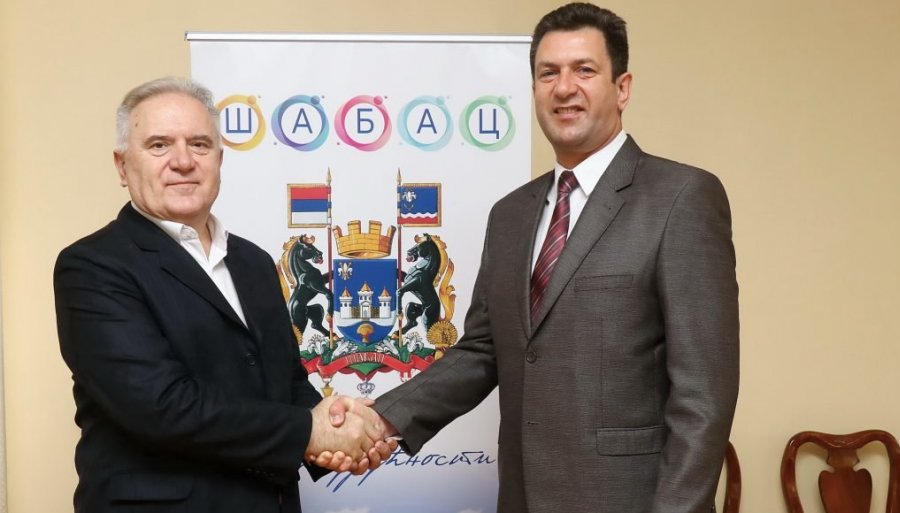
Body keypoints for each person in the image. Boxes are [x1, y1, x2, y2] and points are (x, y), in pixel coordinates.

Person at [323, 3, 740, 512]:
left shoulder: (681, 198)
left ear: (623, 87)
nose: (564, 88)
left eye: (584, 70)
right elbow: (481, 351)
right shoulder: (511, 214)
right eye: (548, 73)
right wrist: (384, 418)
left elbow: (703, 397)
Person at [54, 76, 394, 513]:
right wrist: (310, 433)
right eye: (159, 145)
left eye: (199, 144)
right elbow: (160, 407)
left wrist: (340, 431)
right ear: (122, 166)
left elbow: (286, 383)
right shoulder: (92, 265)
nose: (182, 161)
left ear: (219, 159)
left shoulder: (253, 261)